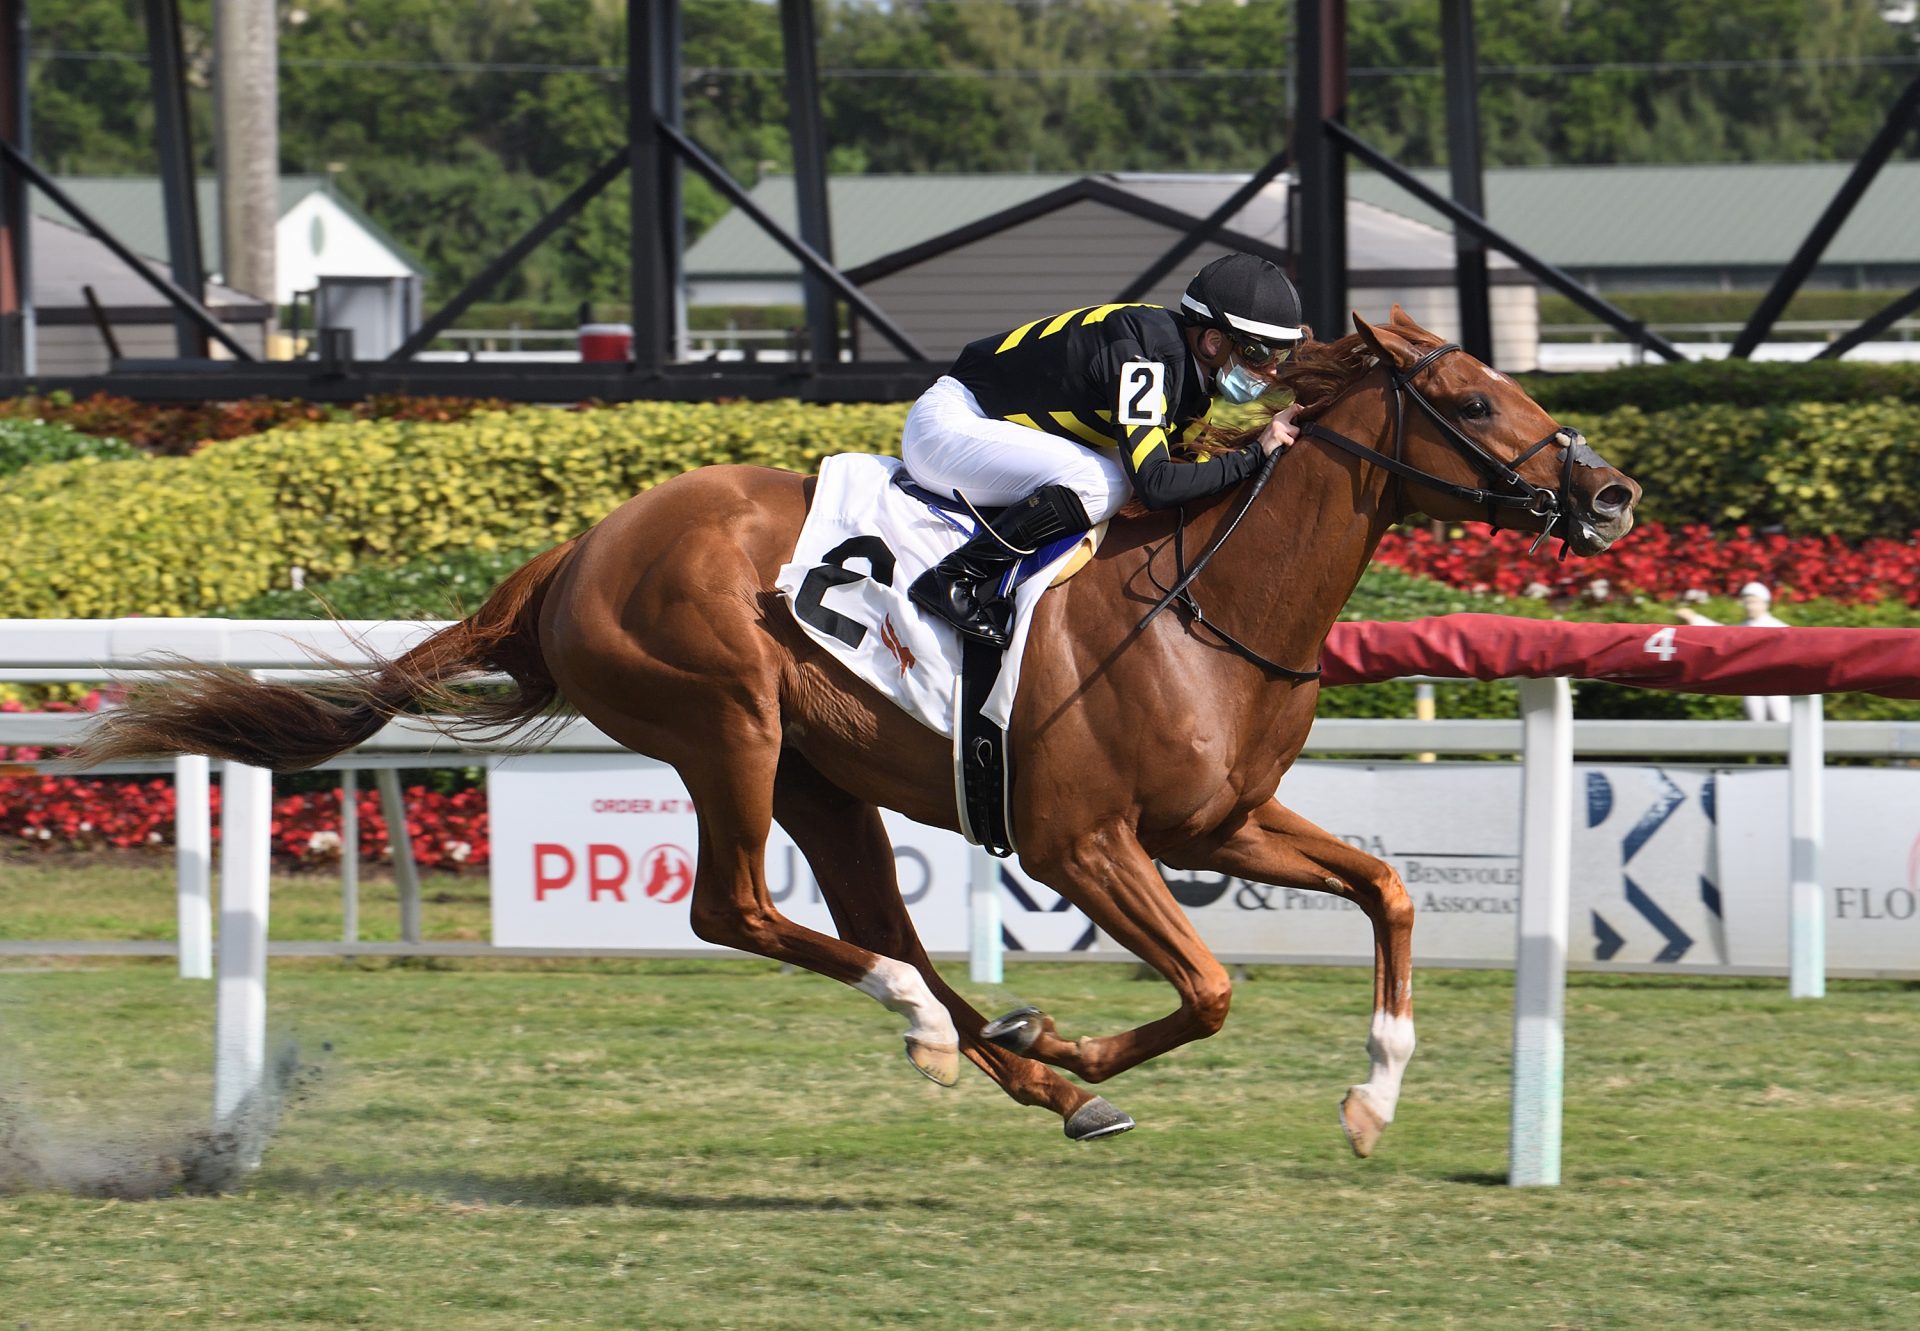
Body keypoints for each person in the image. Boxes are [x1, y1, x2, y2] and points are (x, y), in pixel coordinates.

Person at [901, 252, 1307, 647]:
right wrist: (1255, 453)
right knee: (1104, 483)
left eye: (1281, 354)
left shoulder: (1189, 374)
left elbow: (1189, 477)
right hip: (948, 428)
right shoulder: (1145, 363)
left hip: (986, 425)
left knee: (1122, 475)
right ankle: (957, 577)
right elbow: (1157, 484)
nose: (1272, 369)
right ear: (1212, 340)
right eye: (1260, 352)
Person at [1676, 580, 1790, 721]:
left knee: (1782, 721)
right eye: (1747, 602)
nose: (1750, 606)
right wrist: (1694, 618)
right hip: (1752, 686)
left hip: (1776, 685)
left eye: (1754, 602)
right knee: (1755, 725)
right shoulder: (1743, 628)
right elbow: (1721, 634)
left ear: (1765, 603)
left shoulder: (1781, 628)